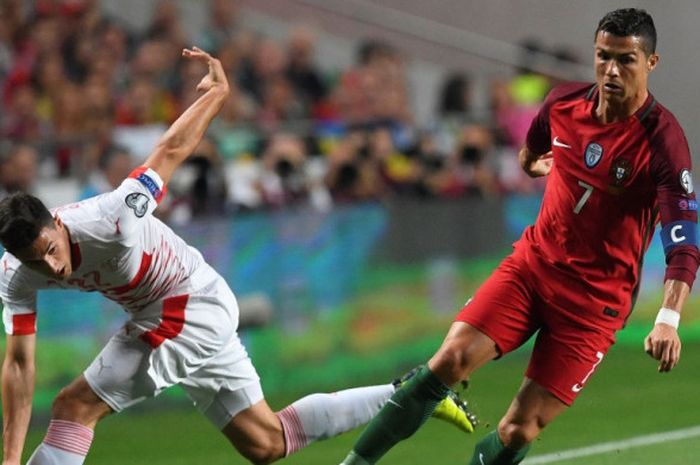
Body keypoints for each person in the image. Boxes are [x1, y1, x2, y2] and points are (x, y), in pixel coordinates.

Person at [0, 48, 475, 465]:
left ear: (57, 225)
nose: (53, 268)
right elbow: (19, 365)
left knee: (74, 406)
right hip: (182, 311)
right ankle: (412, 394)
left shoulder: (113, 216)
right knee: (268, 442)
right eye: (36, 262)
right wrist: (9, 456)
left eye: (51, 251)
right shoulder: (15, 273)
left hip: (186, 307)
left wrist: (215, 95)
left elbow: (169, 150)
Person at [340, 8, 699, 465]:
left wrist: (668, 316)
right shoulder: (563, 104)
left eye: (626, 60)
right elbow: (532, 152)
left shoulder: (663, 141)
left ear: (651, 63)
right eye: (603, 56)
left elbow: (683, 240)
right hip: (532, 269)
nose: (611, 70)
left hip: (594, 304)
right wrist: (536, 164)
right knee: (448, 360)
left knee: (517, 429)